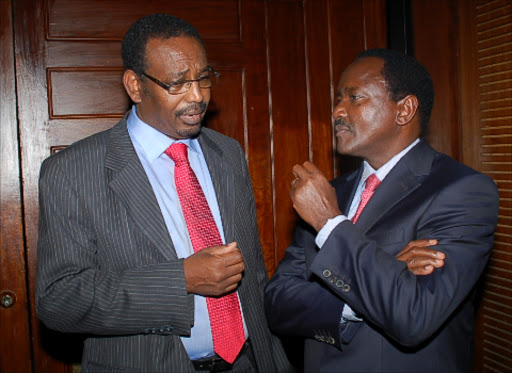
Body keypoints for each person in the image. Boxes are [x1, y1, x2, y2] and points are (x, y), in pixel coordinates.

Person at [36, 14, 292, 373]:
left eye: (204, 78)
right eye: (177, 83)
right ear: (135, 86)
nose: (197, 96)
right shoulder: (72, 172)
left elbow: (253, 278)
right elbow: (59, 300)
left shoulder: (228, 154)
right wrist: (181, 279)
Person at [264, 48, 499, 372]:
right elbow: (278, 303)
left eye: (354, 98)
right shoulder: (333, 191)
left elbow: (414, 315)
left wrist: (329, 223)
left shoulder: (462, 190)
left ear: (404, 110)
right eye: (337, 98)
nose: (337, 111)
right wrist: (382, 278)